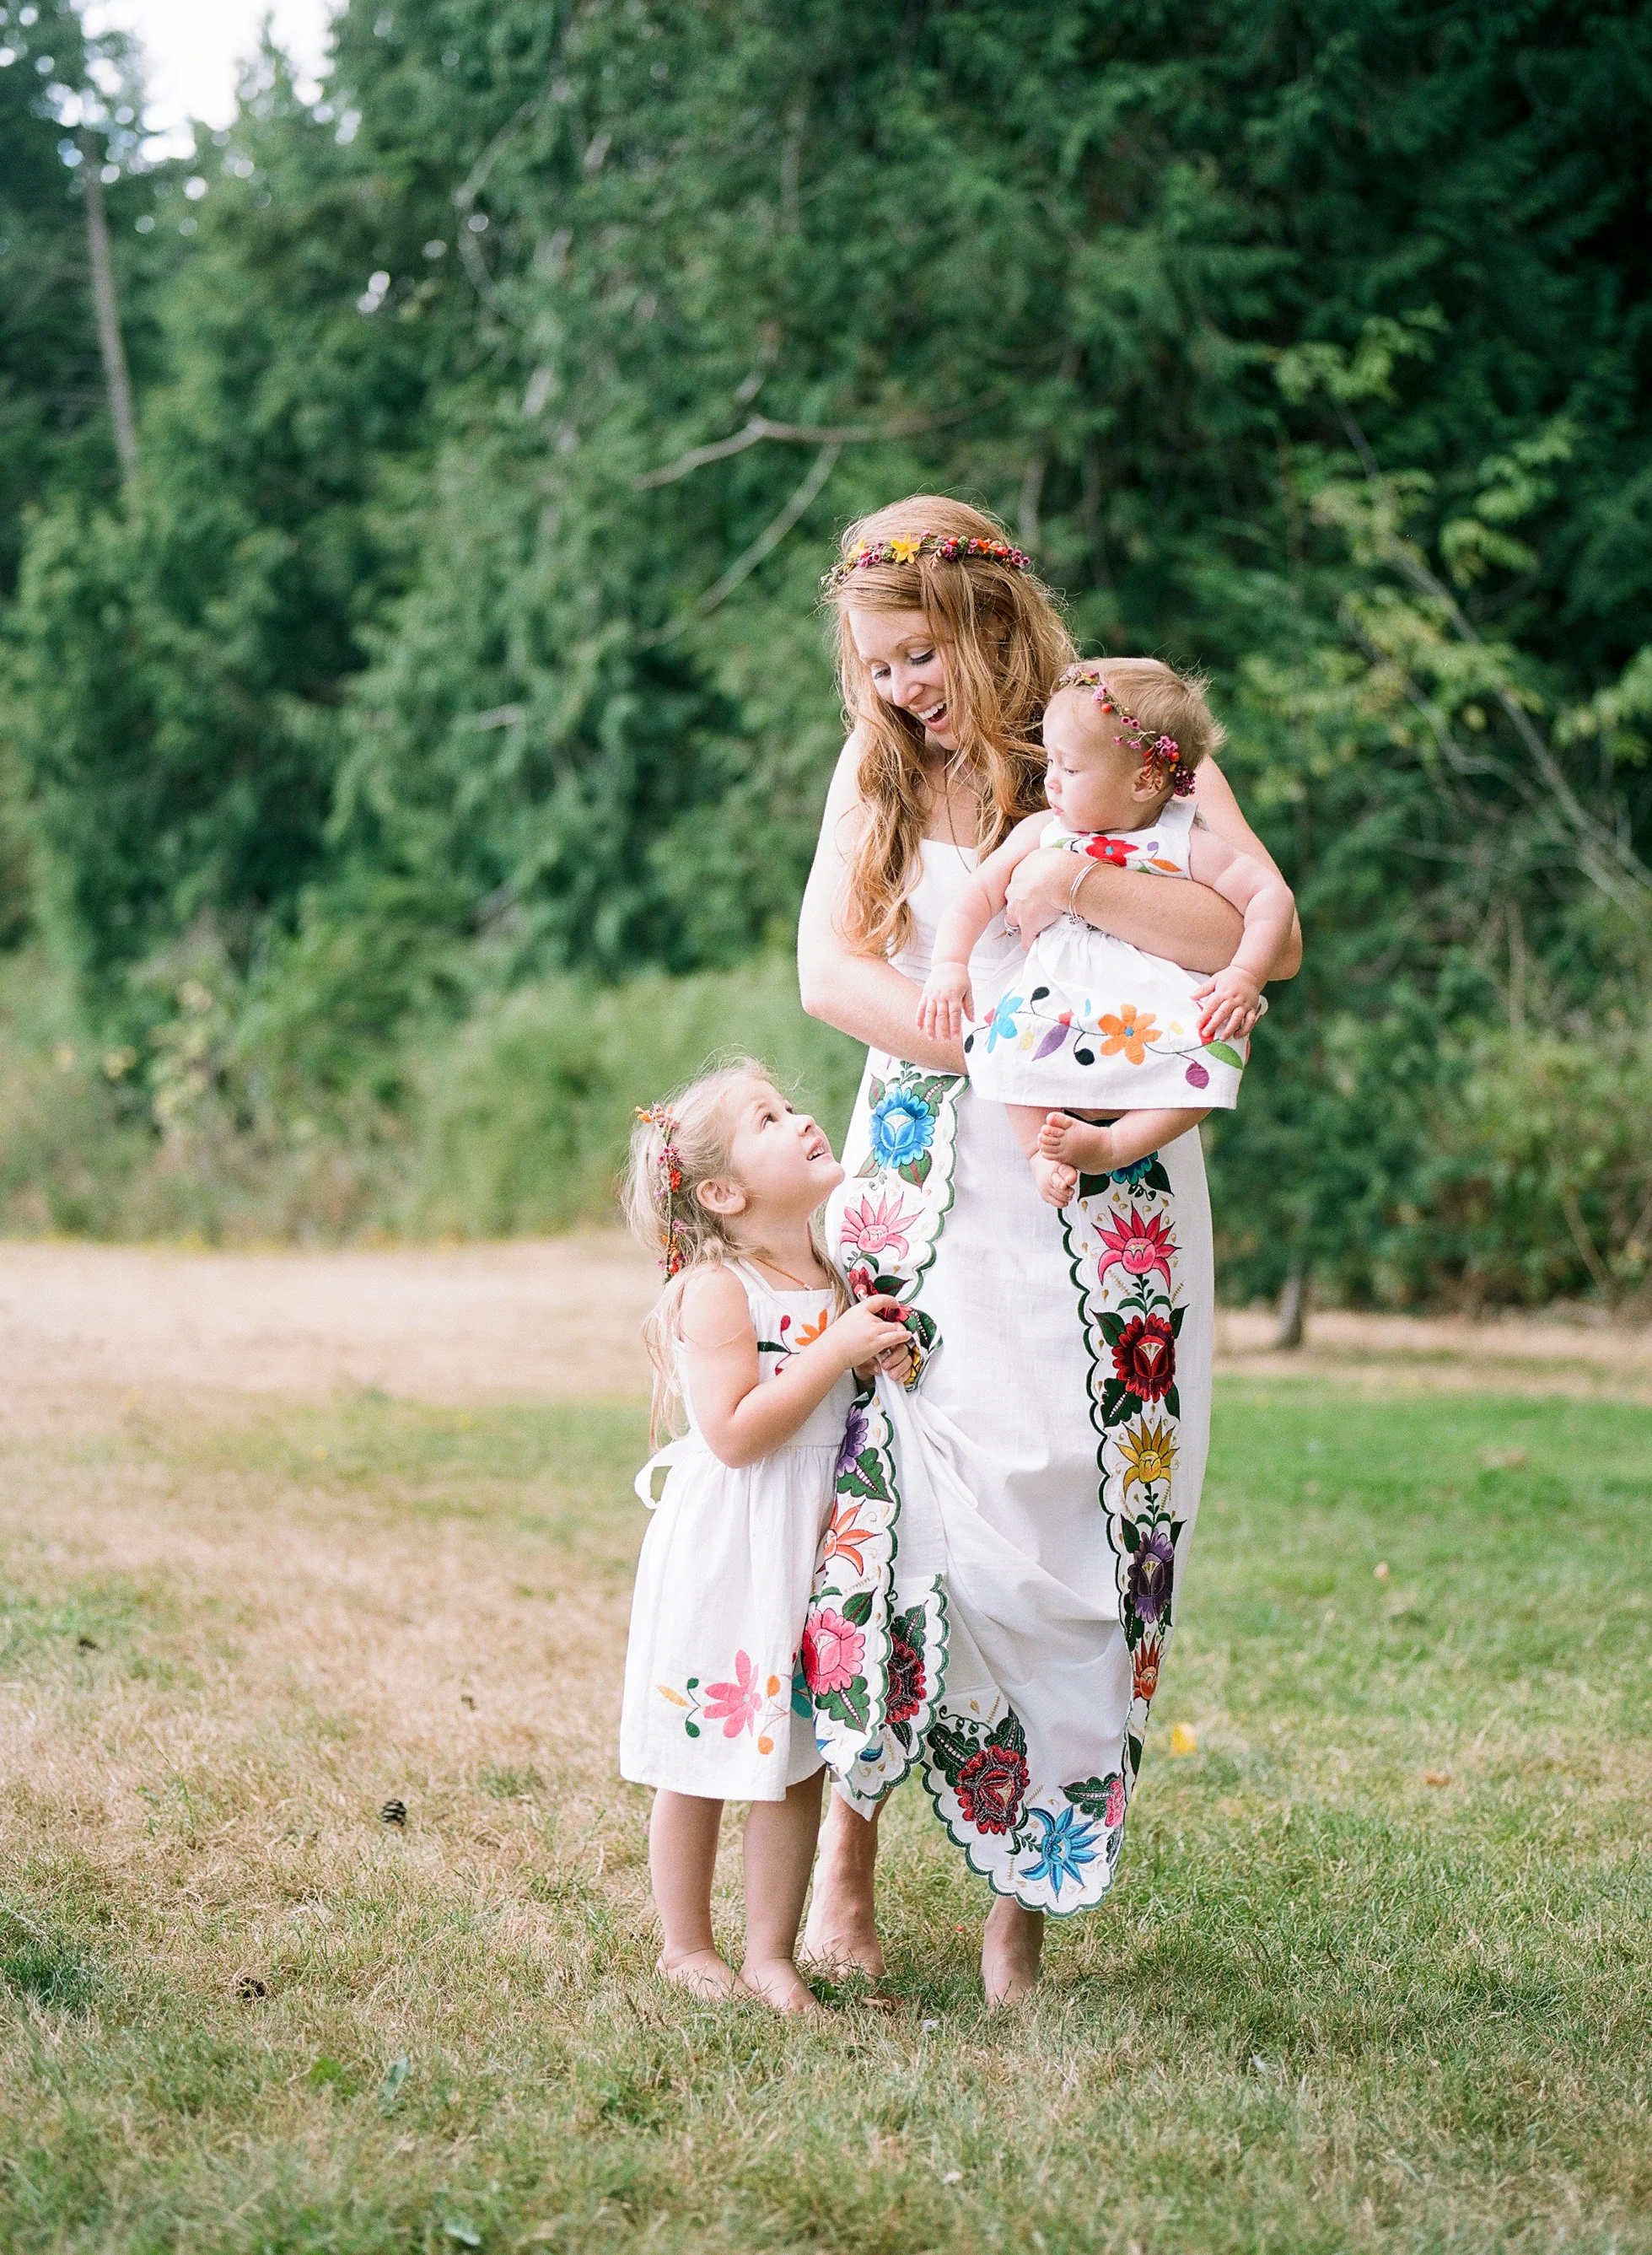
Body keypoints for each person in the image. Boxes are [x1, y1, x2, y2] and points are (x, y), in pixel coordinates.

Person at [795, 496, 1300, 2005]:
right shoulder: (879, 770)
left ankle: (1027, 1892)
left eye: (919, 653)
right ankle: (842, 1863)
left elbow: (1248, 936)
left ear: (991, 621)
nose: (900, 688)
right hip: (933, 1166)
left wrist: (1074, 879)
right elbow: (826, 970)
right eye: (876, 664)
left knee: (1089, 1509)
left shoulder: (1129, 740)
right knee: (901, 1495)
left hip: (1106, 1185)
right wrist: (1001, 1049)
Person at [619, 1062, 912, 2011]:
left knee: (794, 1758)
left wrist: (873, 1357)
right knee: (702, 1749)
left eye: (788, 1107)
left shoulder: (832, 1269)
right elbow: (736, 1435)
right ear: (721, 1193)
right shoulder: (718, 1288)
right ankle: (685, 1945)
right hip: (732, 1547)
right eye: (768, 1119)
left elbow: (841, 1402)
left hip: (812, 1546)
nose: (801, 1120)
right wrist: (835, 1350)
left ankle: (770, 1954)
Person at [917, 656, 1296, 1205]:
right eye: (1050, 760)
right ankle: (1037, 1154)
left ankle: (1118, 1143)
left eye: (1069, 769)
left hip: (1151, 1004)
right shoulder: (1044, 831)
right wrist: (950, 965)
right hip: (1057, 995)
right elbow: (977, 895)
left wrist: (1245, 974)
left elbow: (1270, 897)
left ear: (1145, 780)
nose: (1050, 780)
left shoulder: (1186, 841)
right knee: (1003, 1036)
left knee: (1224, 1045)